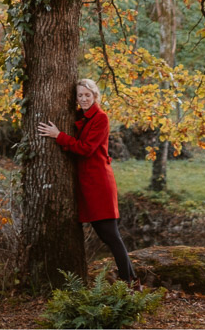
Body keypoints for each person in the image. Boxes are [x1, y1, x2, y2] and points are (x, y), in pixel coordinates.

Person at [36, 78, 136, 283]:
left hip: (99, 184)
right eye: (80, 95)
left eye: (87, 95)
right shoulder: (81, 117)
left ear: (95, 96)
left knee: (111, 236)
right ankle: (131, 280)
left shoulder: (101, 118)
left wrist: (58, 135)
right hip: (87, 183)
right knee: (109, 236)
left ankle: (131, 283)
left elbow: (86, 148)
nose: (83, 99)